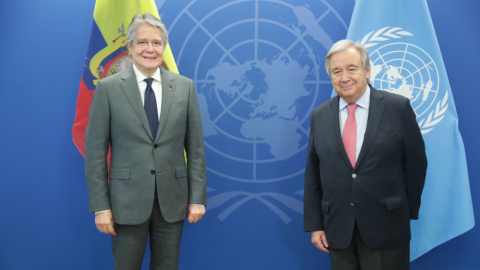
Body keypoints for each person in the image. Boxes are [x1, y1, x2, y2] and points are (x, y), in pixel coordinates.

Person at [84, 13, 207, 270]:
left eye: (156, 42)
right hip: (125, 204)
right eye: (142, 42)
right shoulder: (108, 88)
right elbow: (95, 153)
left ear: (164, 47)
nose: (150, 49)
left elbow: (195, 150)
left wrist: (197, 199)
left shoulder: (185, 87)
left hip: (171, 204)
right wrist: (100, 207)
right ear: (129, 48)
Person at [304, 40, 427, 270]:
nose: (344, 77)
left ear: (367, 70)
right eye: (337, 71)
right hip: (338, 230)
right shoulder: (319, 115)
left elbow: (417, 164)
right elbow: (313, 173)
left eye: (352, 69)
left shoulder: (397, 107)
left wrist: (401, 210)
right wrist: (315, 224)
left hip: (387, 227)